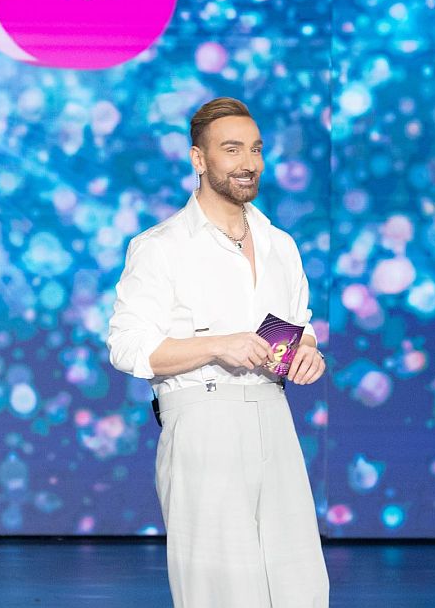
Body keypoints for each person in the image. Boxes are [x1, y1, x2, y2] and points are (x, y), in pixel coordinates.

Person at [107, 97, 330, 608]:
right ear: (199, 159)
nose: (248, 162)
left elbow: (300, 325)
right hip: (203, 420)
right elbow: (127, 345)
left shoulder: (280, 244)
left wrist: (308, 351)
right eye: (231, 150)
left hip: (274, 415)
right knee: (222, 591)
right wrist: (217, 345)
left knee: (300, 586)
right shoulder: (162, 246)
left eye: (255, 149)